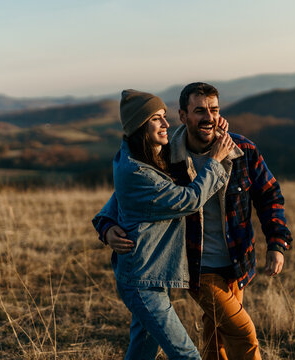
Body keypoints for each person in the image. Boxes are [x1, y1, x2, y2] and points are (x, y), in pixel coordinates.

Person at [95, 83, 292, 360]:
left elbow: (269, 194)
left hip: (237, 263)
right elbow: (128, 193)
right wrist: (106, 225)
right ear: (183, 116)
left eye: (214, 110)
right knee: (243, 333)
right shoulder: (165, 156)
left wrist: (276, 241)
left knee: (218, 337)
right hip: (197, 267)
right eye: (199, 110)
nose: (208, 117)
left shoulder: (242, 149)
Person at [93, 89, 235, 360]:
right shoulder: (137, 172)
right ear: (140, 126)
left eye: (164, 116)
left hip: (148, 275)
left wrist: (106, 224)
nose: (166, 123)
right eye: (157, 118)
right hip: (141, 280)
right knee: (187, 355)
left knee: (141, 352)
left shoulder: (147, 156)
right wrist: (215, 161)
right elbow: (190, 199)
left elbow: (119, 198)